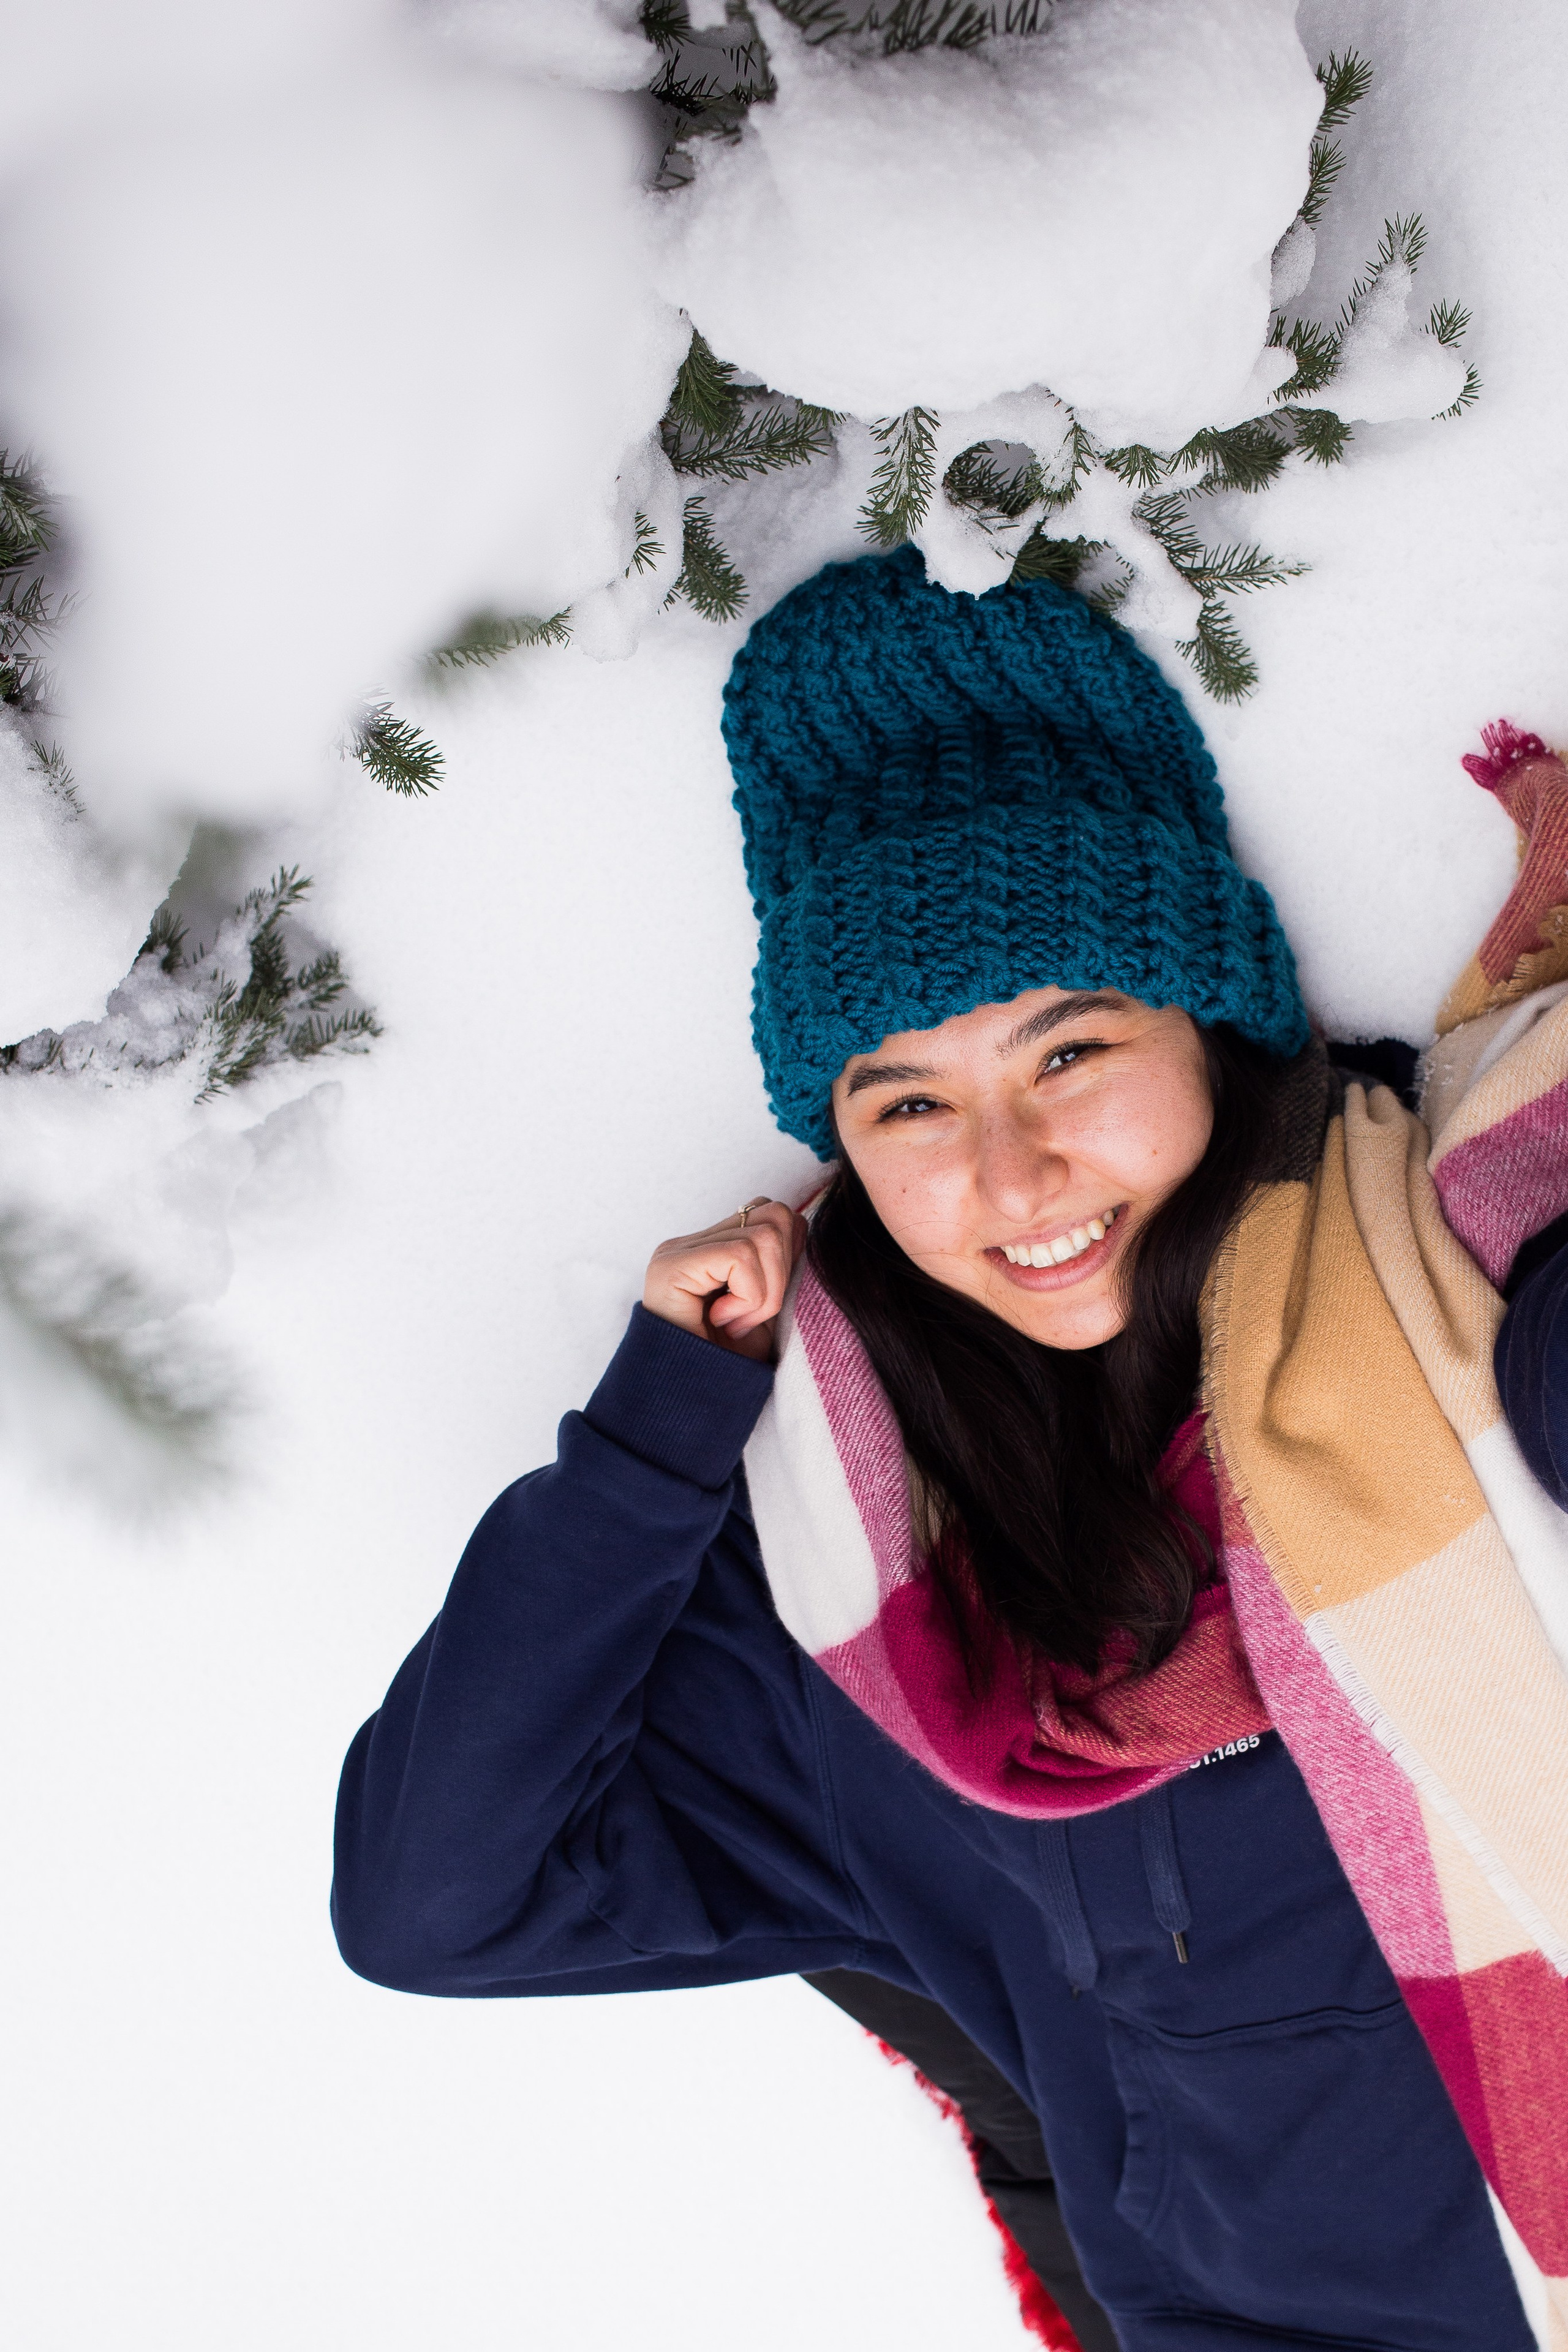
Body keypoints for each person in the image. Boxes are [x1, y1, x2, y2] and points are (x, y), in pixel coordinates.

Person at [332, 549, 1568, 2351]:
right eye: (908, 1101)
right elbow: (440, 1901)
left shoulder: (1465, 1249)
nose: (1008, 1177)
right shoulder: (853, 1601)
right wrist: (650, 1447)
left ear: (1208, 1029)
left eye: (1071, 1049)